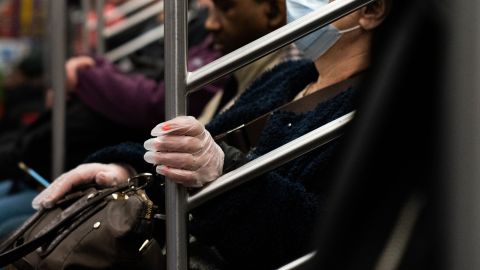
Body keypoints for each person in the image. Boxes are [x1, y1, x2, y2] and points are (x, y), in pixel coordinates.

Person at [33, 0, 391, 268]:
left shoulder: (377, 113)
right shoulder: (288, 77)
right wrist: (124, 169)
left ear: (371, 10)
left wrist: (225, 174)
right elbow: (198, 150)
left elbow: (318, 236)